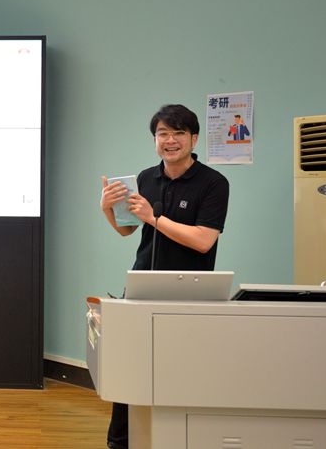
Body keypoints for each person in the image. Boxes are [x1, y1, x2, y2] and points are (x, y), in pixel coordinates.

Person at [99, 104, 230, 449]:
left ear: (193, 139)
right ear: (155, 139)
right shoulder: (145, 178)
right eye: (162, 134)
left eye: (178, 133)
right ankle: (120, 441)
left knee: (184, 369)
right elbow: (127, 230)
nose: (170, 141)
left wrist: (154, 218)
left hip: (191, 290)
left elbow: (203, 240)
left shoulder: (214, 183)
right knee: (129, 367)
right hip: (141, 285)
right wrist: (107, 209)